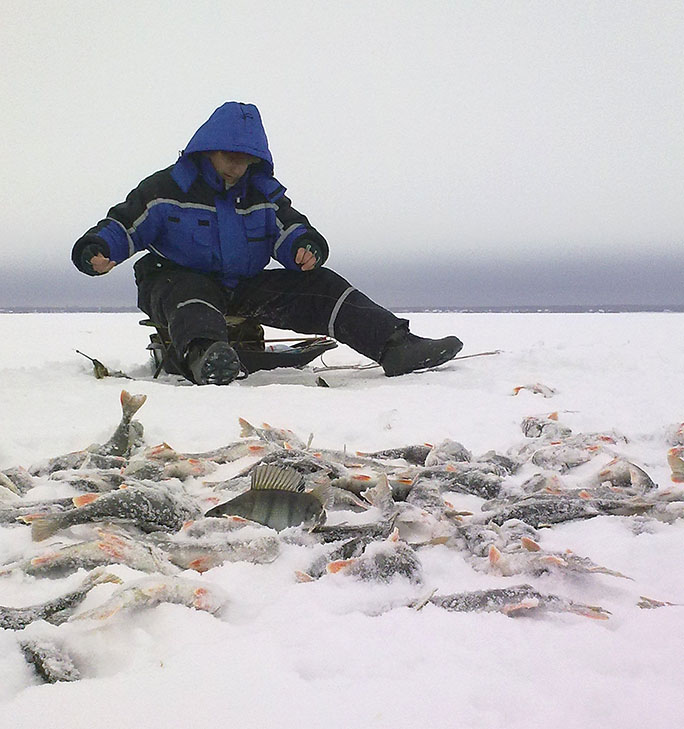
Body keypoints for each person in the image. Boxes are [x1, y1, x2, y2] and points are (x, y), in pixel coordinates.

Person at [71, 102, 463, 385]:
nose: (237, 166)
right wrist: (97, 249)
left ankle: (395, 346)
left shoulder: (263, 193)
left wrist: (305, 247)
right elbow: (124, 225)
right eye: (230, 156)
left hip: (241, 285)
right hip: (173, 279)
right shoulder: (165, 188)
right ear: (207, 149)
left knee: (323, 285)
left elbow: (289, 229)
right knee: (189, 293)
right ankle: (205, 356)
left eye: (246, 159)